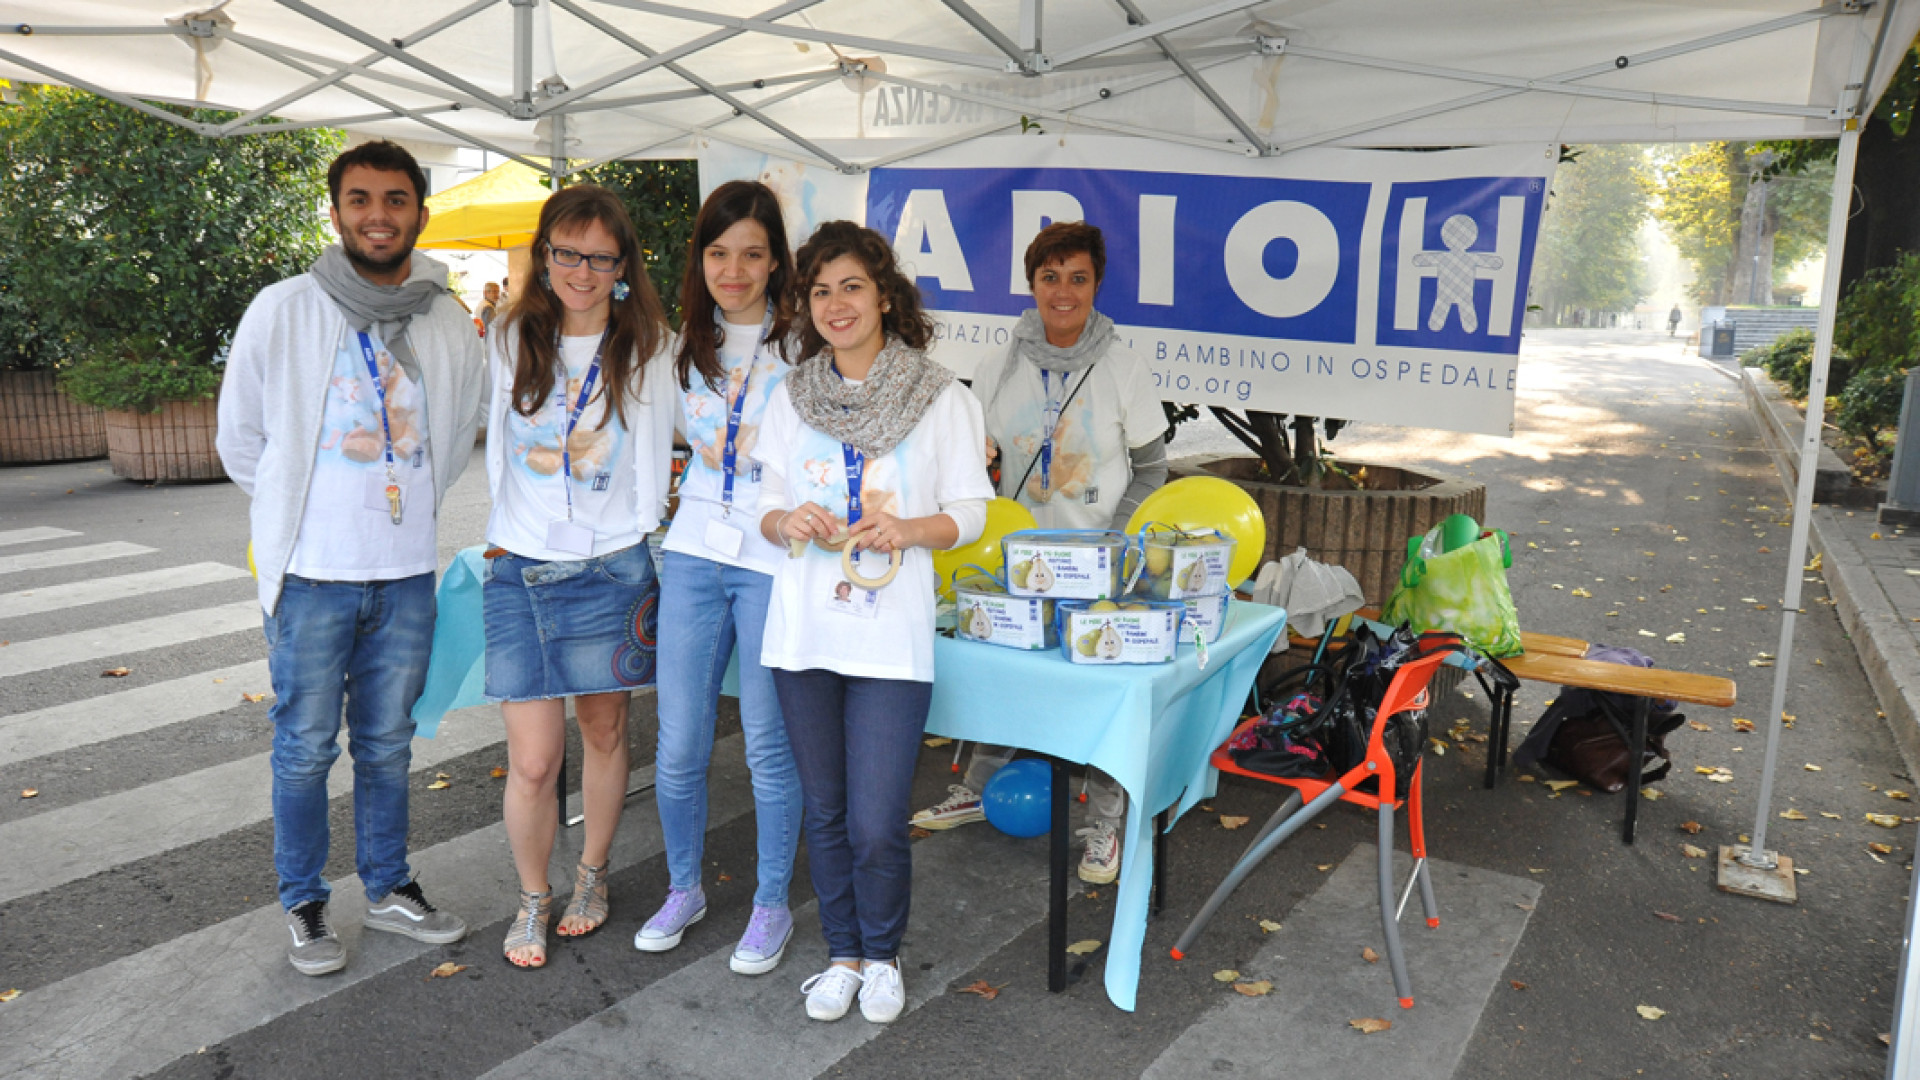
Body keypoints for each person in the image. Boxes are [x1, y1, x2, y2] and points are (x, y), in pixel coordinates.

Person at [216, 139, 486, 976]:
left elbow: (459, 434)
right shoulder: (284, 309)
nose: (378, 215)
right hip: (309, 575)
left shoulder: (445, 320)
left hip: (404, 573)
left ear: (419, 214)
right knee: (304, 747)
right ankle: (304, 901)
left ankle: (388, 886)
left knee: (388, 744)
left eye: (395, 199)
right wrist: (304, 514)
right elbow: (241, 439)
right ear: (336, 213)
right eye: (361, 199)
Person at [754, 221, 992, 1023]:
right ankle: (844, 956)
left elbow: (971, 512)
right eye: (820, 291)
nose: (836, 304)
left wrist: (909, 529)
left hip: (891, 638)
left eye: (851, 286)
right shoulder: (791, 396)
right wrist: (787, 520)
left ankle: (883, 954)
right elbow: (764, 506)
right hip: (804, 633)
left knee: (878, 820)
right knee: (824, 811)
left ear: (884, 295)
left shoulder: (941, 396)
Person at [910, 221, 1167, 887]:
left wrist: (1118, 539)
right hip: (1018, 564)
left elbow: (1151, 468)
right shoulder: (999, 367)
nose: (1063, 292)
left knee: (1102, 694)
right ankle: (977, 789)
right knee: (1008, 678)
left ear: (1097, 284)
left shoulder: (1123, 368)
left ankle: (1107, 822)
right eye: (1050, 278)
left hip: (1102, 565)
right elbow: (972, 468)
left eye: (1078, 278)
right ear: (1031, 285)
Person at [483, 185, 676, 969]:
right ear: (545, 255)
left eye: (600, 257)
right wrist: (500, 535)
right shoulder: (509, 336)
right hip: (521, 565)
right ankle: (533, 896)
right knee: (533, 759)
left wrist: (641, 535)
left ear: (624, 266)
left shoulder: (650, 345)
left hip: (612, 565)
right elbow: (493, 442)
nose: (582, 271)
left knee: (603, 731)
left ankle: (592, 875)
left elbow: (660, 450)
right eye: (567, 253)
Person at [639, 180, 804, 975]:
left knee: (769, 746)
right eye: (717, 253)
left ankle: (771, 903)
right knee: (678, 744)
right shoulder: (681, 350)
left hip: (774, 559)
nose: (732, 271)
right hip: (695, 555)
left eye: (750, 254)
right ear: (699, 260)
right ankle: (684, 889)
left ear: (775, 263)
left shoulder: (805, 349)